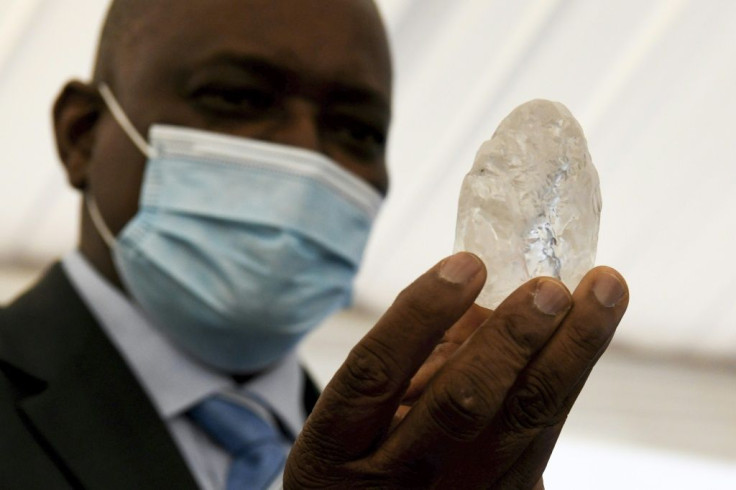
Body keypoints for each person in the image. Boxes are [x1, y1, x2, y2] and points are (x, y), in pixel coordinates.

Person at [0, 0, 629, 488]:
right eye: (238, 98)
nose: (306, 153)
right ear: (83, 135)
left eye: (356, 131)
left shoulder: (412, 458)